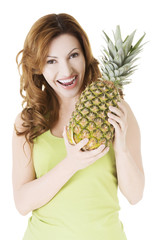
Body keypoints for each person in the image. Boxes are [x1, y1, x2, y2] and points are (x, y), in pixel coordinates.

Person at [12, 13, 145, 240]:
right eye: (51, 60)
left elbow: (135, 196)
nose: (66, 71)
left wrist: (121, 148)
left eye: (73, 55)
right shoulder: (29, 120)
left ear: (86, 56)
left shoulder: (117, 111)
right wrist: (71, 164)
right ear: (37, 67)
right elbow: (22, 203)